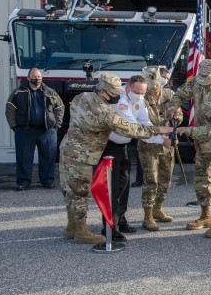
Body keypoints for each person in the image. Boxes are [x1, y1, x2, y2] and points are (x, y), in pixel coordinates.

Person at [60, 72, 172, 244]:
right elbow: (130, 129)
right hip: (83, 154)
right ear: (103, 92)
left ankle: (72, 226)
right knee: (81, 191)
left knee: (70, 189)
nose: (117, 97)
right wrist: (159, 131)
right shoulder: (104, 112)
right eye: (114, 94)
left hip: (68, 149)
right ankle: (81, 230)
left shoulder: (82, 97)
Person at [169, 59, 211, 238]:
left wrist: (188, 130)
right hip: (202, 138)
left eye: (207, 80)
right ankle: (206, 215)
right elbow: (180, 94)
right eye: (201, 79)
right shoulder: (197, 80)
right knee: (201, 175)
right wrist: (172, 106)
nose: (203, 83)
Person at [99, 75, 148, 240]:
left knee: (124, 185)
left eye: (142, 92)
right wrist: (160, 134)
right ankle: (109, 227)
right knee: (111, 189)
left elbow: (145, 122)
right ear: (127, 87)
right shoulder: (119, 100)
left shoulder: (140, 101)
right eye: (136, 91)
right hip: (109, 147)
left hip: (124, 147)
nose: (139, 95)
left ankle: (120, 219)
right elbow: (133, 125)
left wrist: (161, 139)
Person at [138, 68, 182, 232]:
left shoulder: (169, 95)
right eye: (150, 85)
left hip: (168, 145)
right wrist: (161, 134)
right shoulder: (141, 99)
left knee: (165, 179)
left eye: (156, 84)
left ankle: (158, 209)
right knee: (151, 180)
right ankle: (147, 216)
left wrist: (175, 117)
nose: (153, 88)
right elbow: (142, 126)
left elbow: (179, 114)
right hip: (149, 146)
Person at [5, 68, 64, 191]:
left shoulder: (50, 92)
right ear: (28, 78)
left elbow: (60, 108)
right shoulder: (18, 93)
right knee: (24, 158)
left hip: (47, 131)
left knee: (48, 157)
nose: (36, 79)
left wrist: (56, 125)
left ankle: (48, 181)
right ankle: (23, 182)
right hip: (25, 131)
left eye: (38, 76)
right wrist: (15, 127)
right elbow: (9, 110)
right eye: (34, 76)